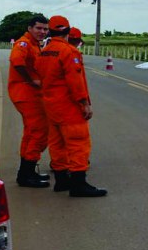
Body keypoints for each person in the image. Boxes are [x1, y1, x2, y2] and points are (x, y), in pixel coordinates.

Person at [36, 16, 106, 197]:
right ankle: (78, 184)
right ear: (68, 31)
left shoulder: (44, 51)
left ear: (50, 31)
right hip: (68, 106)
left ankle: (61, 181)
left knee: (57, 143)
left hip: (51, 105)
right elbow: (75, 82)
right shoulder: (69, 52)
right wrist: (84, 103)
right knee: (78, 143)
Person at [8, 15, 50, 188]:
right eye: (39, 28)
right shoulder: (24, 43)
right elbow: (17, 61)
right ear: (30, 28)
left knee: (31, 132)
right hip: (25, 93)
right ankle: (27, 174)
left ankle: (26, 172)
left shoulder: (34, 44)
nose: (42, 32)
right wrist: (31, 80)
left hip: (30, 93)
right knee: (39, 131)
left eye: (45, 29)